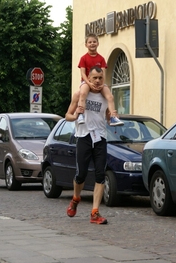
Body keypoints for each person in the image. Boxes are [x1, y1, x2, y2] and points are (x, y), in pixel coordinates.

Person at [65, 66, 110, 225]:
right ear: (88, 79)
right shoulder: (80, 94)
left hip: (100, 138)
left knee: (100, 174)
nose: (97, 81)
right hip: (84, 137)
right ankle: (76, 198)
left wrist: (111, 117)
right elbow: (67, 116)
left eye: (100, 78)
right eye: (95, 78)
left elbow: (108, 116)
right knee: (81, 174)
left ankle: (95, 212)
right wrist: (76, 114)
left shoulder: (106, 96)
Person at [77, 33, 123, 127]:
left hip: (99, 82)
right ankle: (81, 115)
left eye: (94, 42)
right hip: (87, 81)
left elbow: (103, 72)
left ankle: (113, 117)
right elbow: (82, 73)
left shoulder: (101, 59)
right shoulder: (83, 58)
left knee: (110, 97)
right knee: (82, 94)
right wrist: (89, 83)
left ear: (98, 43)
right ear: (86, 45)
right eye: (90, 42)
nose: (92, 44)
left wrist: (103, 84)